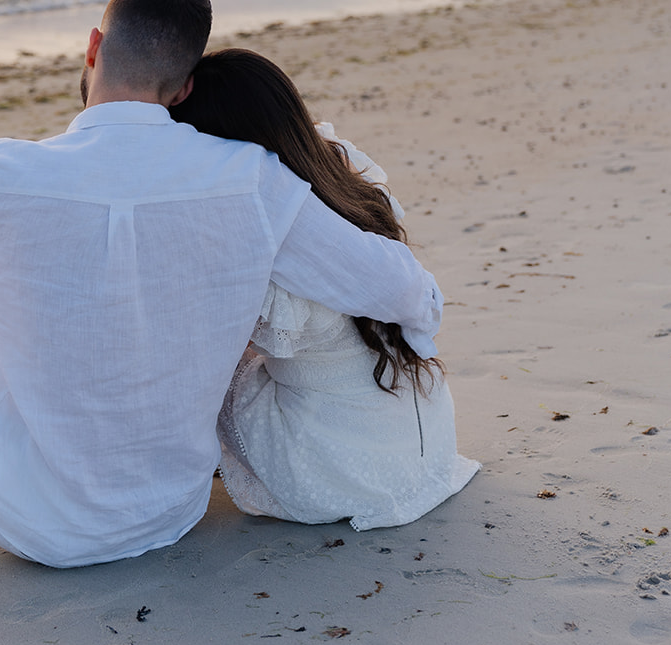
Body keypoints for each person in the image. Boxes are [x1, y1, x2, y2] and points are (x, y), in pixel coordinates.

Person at [0, 0, 444, 569]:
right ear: (181, 91)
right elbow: (404, 288)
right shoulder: (253, 181)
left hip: (31, 522)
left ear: (93, 47)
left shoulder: (4, 173)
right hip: (172, 513)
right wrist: (419, 324)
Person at [171, 49, 480, 529]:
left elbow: (220, 350)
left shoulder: (270, 238)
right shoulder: (340, 175)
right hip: (424, 443)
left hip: (337, 471)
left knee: (217, 374)